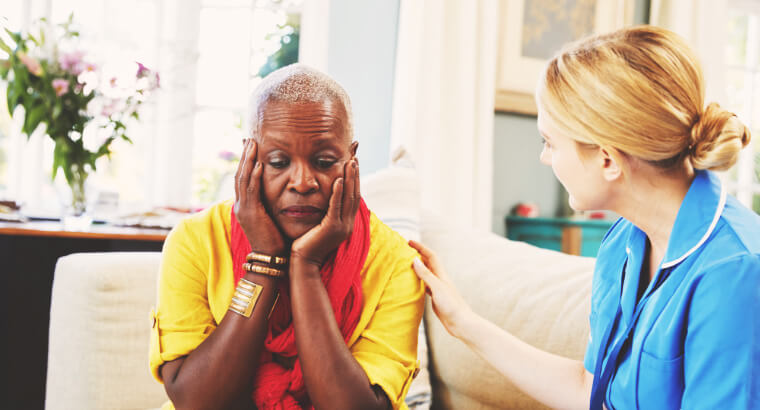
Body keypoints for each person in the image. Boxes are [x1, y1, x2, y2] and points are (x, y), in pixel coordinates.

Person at [411, 25, 760, 409]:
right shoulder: (624, 242)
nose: (545, 157)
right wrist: (463, 322)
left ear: (607, 159)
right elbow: (588, 390)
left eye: (550, 142)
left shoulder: (736, 271)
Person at [149, 64, 425, 410]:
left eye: (324, 161)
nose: (302, 182)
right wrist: (263, 262)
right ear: (250, 158)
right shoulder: (194, 240)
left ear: (351, 160)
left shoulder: (397, 263)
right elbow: (195, 399)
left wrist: (305, 268)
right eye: (279, 162)